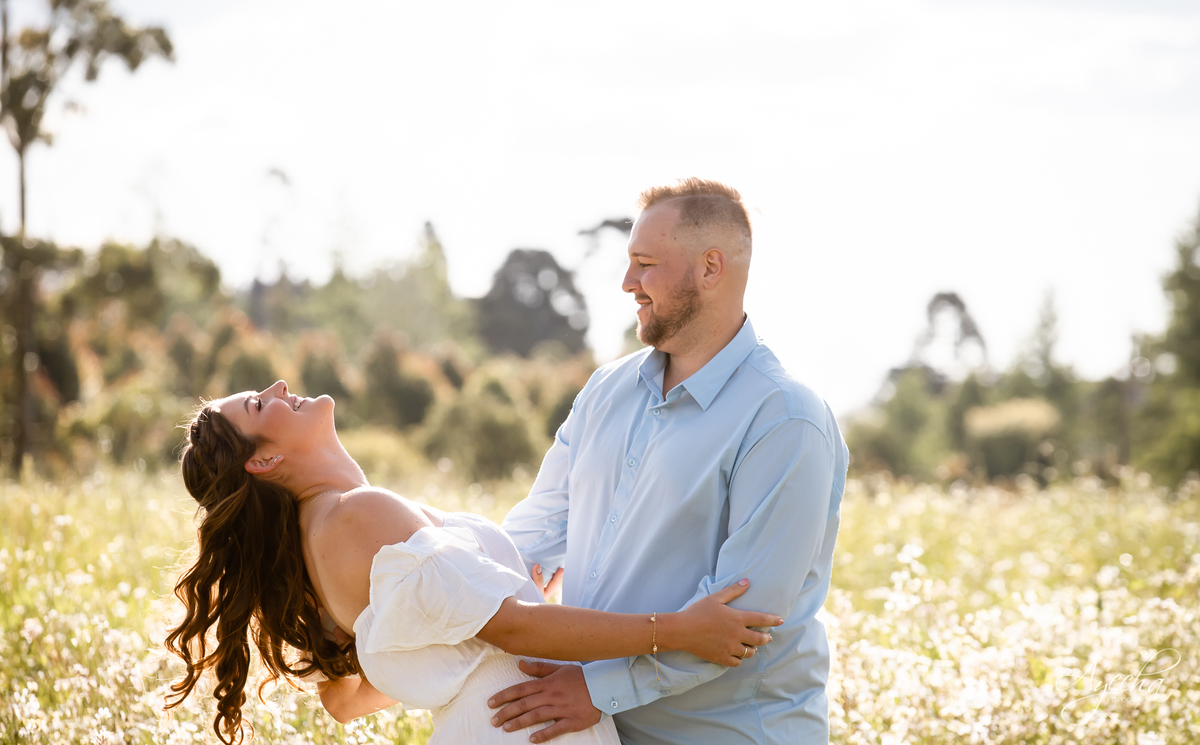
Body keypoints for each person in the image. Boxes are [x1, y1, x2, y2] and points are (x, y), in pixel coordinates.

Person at [163, 379, 782, 745]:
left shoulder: (322, 535)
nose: (277, 388)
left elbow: (348, 699)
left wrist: (501, 612)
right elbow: (509, 627)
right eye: (259, 406)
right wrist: (679, 631)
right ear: (263, 463)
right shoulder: (357, 513)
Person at [491, 178, 849, 744]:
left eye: (645, 264)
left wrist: (594, 687)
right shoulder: (605, 390)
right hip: (601, 733)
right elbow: (532, 533)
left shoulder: (785, 418)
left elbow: (745, 616)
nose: (628, 283)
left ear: (711, 268)